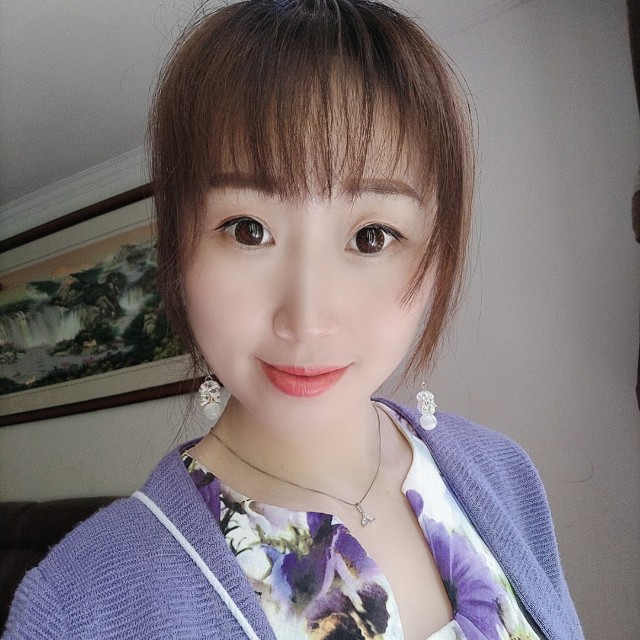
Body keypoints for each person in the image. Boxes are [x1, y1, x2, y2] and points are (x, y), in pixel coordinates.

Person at [3, 1, 584, 639]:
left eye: (371, 236)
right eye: (248, 230)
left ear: (439, 252)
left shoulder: (504, 474)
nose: (306, 320)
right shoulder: (77, 608)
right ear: (176, 246)